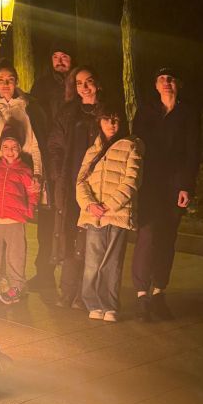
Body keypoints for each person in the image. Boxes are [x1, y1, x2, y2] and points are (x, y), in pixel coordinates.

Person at [131, 67, 200, 322]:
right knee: (147, 235)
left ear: (178, 83)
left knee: (167, 238)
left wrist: (186, 186)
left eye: (170, 79)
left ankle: (159, 292)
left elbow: (193, 151)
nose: (166, 83)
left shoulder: (188, 114)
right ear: (155, 85)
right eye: (161, 79)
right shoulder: (146, 111)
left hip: (174, 185)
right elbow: (135, 146)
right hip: (149, 184)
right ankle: (141, 294)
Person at [76, 103, 144, 322]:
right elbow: (81, 182)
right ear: (99, 121)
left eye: (115, 120)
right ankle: (93, 302)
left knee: (112, 262)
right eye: (107, 119)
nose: (111, 124)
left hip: (116, 214)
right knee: (92, 262)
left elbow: (132, 181)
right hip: (94, 214)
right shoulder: (92, 150)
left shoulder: (131, 146)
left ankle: (109, 304)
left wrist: (110, 206)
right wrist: (90, 205)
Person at [48, 65, 103, 308]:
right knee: (70, 235)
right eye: (79, 83)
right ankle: (67, 290)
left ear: (97, 83)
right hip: (71, 183)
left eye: (89, 81)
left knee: (89, 238)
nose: (85, 87)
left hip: (97, 185)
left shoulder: (106, 112)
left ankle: (84, 292)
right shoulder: (69, 112)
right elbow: (55, 145)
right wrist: (58, 173)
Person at [0, 125, 39, 305]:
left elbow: (32, 193)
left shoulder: (25, 170)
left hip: (14, 219)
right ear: (0, 148)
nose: (10, 151)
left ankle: (16, 286)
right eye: (5, 147)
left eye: (14, 147)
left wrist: (27, 211)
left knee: (15, 255)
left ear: (19, 148)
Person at [28, 49, 74, 293]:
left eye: (64, 56)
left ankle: (71, 278)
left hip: (73, 161)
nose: (59, 61)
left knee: (70, 222)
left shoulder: (79, 84)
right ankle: (44, 273)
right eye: (55, 56)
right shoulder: (42, 85)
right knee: (46, 222)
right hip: (48, 161)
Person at [0, 59, 47, 183]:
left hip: (24, 173)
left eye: (10, 79)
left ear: (16, 81)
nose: (6, 84)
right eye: (1, 80)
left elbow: (35, 144)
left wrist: (37, 173)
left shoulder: (28, 106)